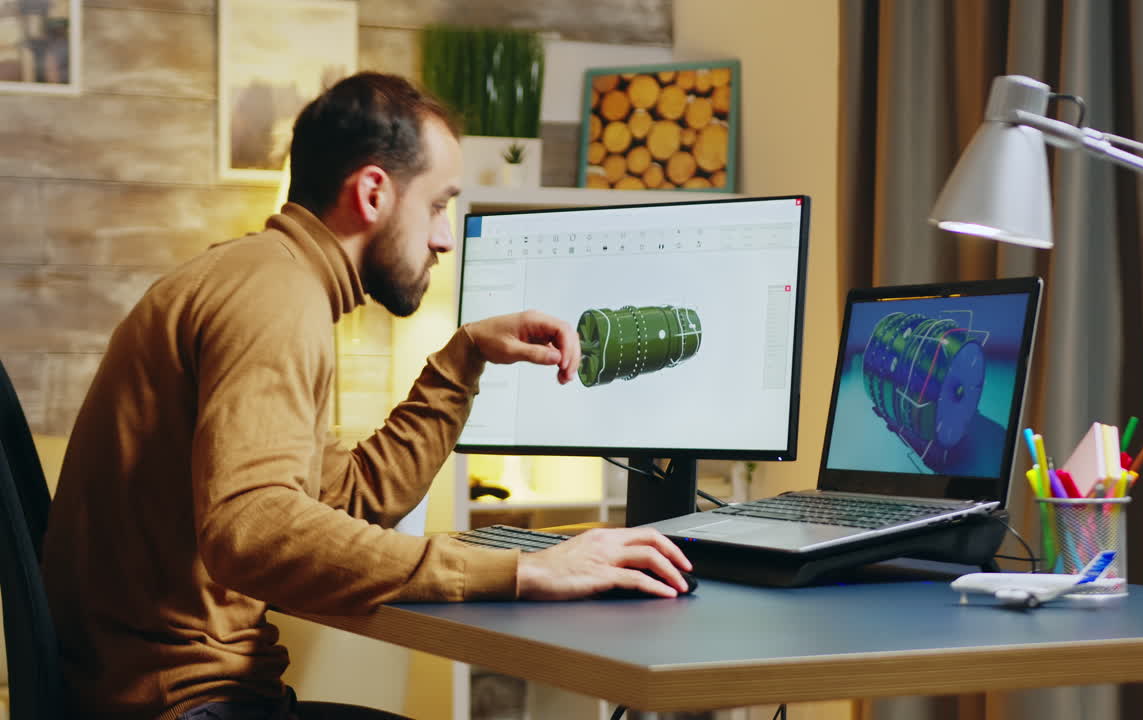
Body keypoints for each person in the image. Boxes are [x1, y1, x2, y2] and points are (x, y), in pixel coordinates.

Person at [40, 72, 692, 720]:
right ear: (374, 191)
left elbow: (350, 502)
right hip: (182, 704)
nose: (443, 237)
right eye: (438, 205)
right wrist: (525, 571)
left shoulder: (261, 277)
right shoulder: (275, 297)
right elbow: (254, 531)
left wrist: (462, 358)